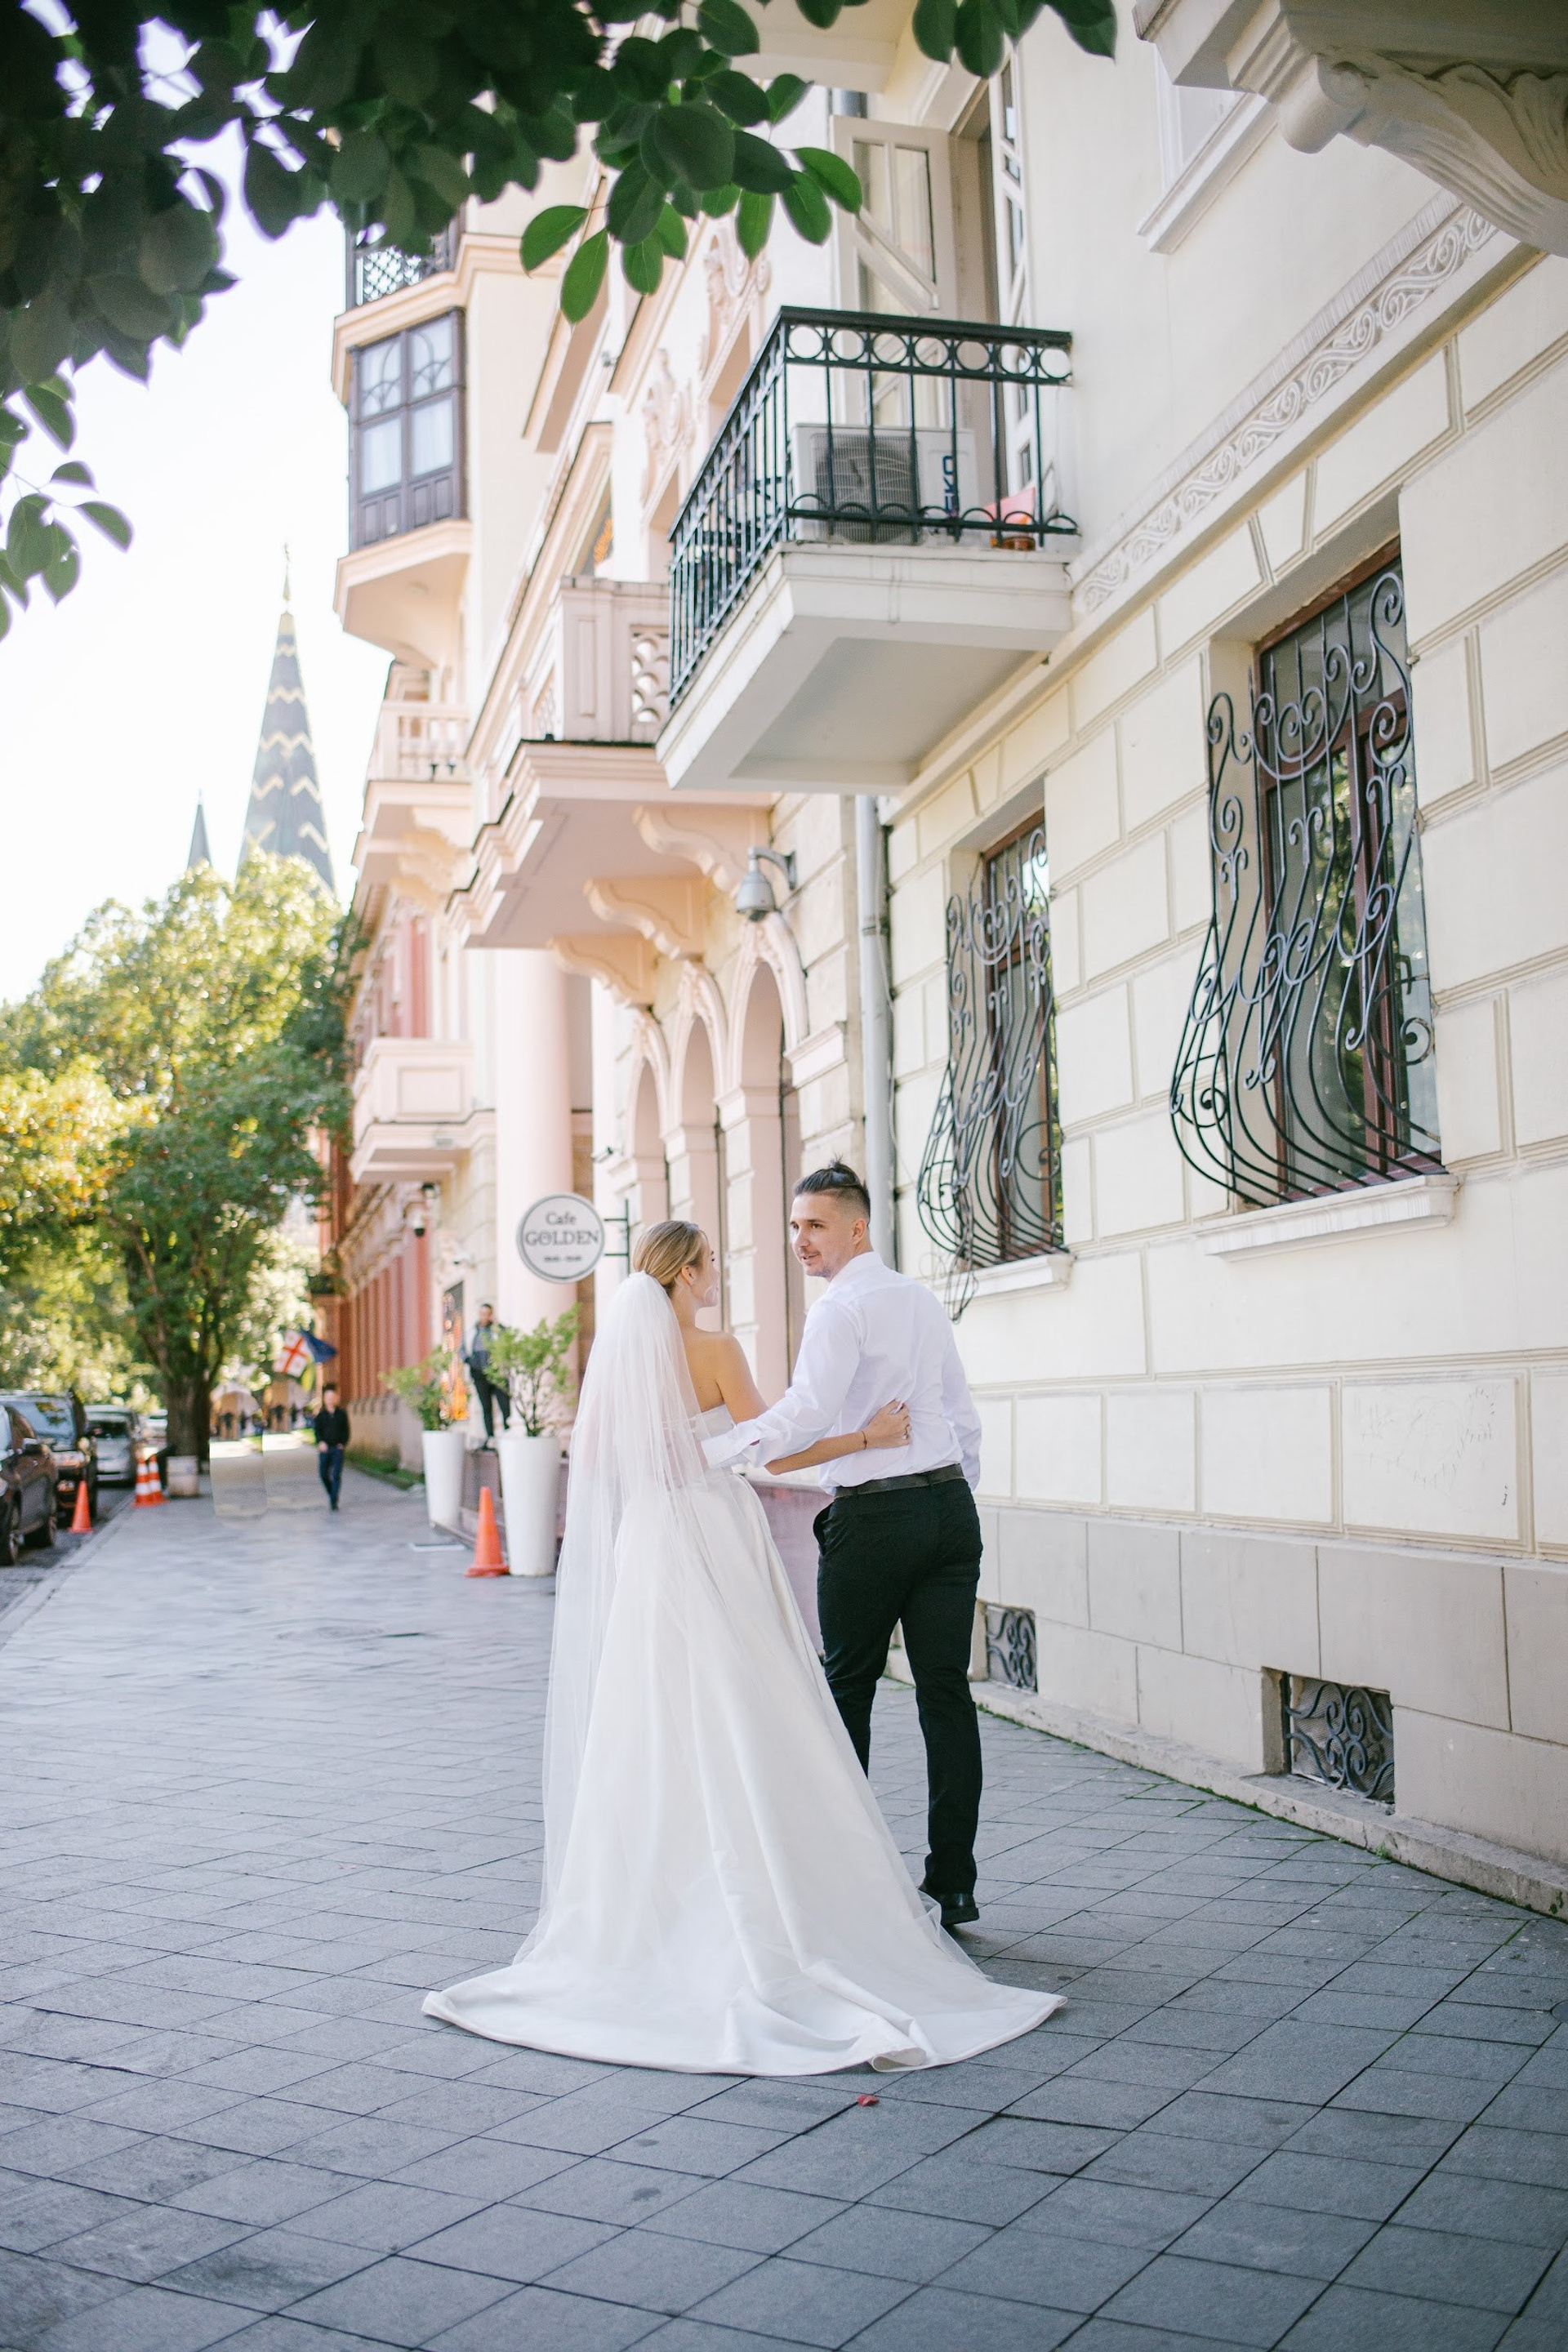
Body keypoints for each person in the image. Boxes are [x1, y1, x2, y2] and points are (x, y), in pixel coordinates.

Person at [422, 1220, 1062, 2074]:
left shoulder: (621, 1364)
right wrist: (866, 1439)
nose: (718, 1273)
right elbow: (781, 1443)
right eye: (712, 1262)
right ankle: (790, 1878)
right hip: (711, 1533)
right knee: (750, 1701)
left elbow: (613, 1466)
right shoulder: (714, 1349)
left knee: (657, 1707)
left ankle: (650, 1897)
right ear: (686, 1273)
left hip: (649, 1541)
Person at [707, 1163, 988, 1933]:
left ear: (856, 1228)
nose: (800, 1240)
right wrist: (954, 1496)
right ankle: (953, 1884)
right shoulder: (920, 1300)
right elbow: (963, 1419)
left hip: (875, 1519)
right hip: (948, 1513)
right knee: (945, 1696)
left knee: (846, 1693)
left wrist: (721, 1449)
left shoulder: (841, 1309)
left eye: (815, 1226)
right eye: (795, 1226)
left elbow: (804, 1413)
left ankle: (846, 1882)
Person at [466, 1303, 510, 1444]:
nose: (484, 1317)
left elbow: (508, 1339)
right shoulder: (472, 1332)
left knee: (505, 1405)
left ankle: (508, 1433)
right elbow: (463, 1349)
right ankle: (490, 1437)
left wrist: (498, 1325)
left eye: (487, 1314)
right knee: (486, 1407)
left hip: (497, 1373)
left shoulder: (497, 1331)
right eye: (482, 1314)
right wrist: (470, 1361)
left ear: (491, 1315)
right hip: (479, 1374)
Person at [311, 1384, 350, 1511]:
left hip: (337, 1449)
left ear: (336, 1398)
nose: (330, 1399)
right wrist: (320, 1442)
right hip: (325, 1449)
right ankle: (332, 1495)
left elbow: (346, 1431)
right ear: (324, 1398)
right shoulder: (321, 1415)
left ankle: (334, 1501)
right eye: (327, 1397)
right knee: (323, 1474)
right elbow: (317, 1431)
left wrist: (342, 1444)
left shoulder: (341, 1414)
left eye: (332, 1397)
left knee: (336, 1474)